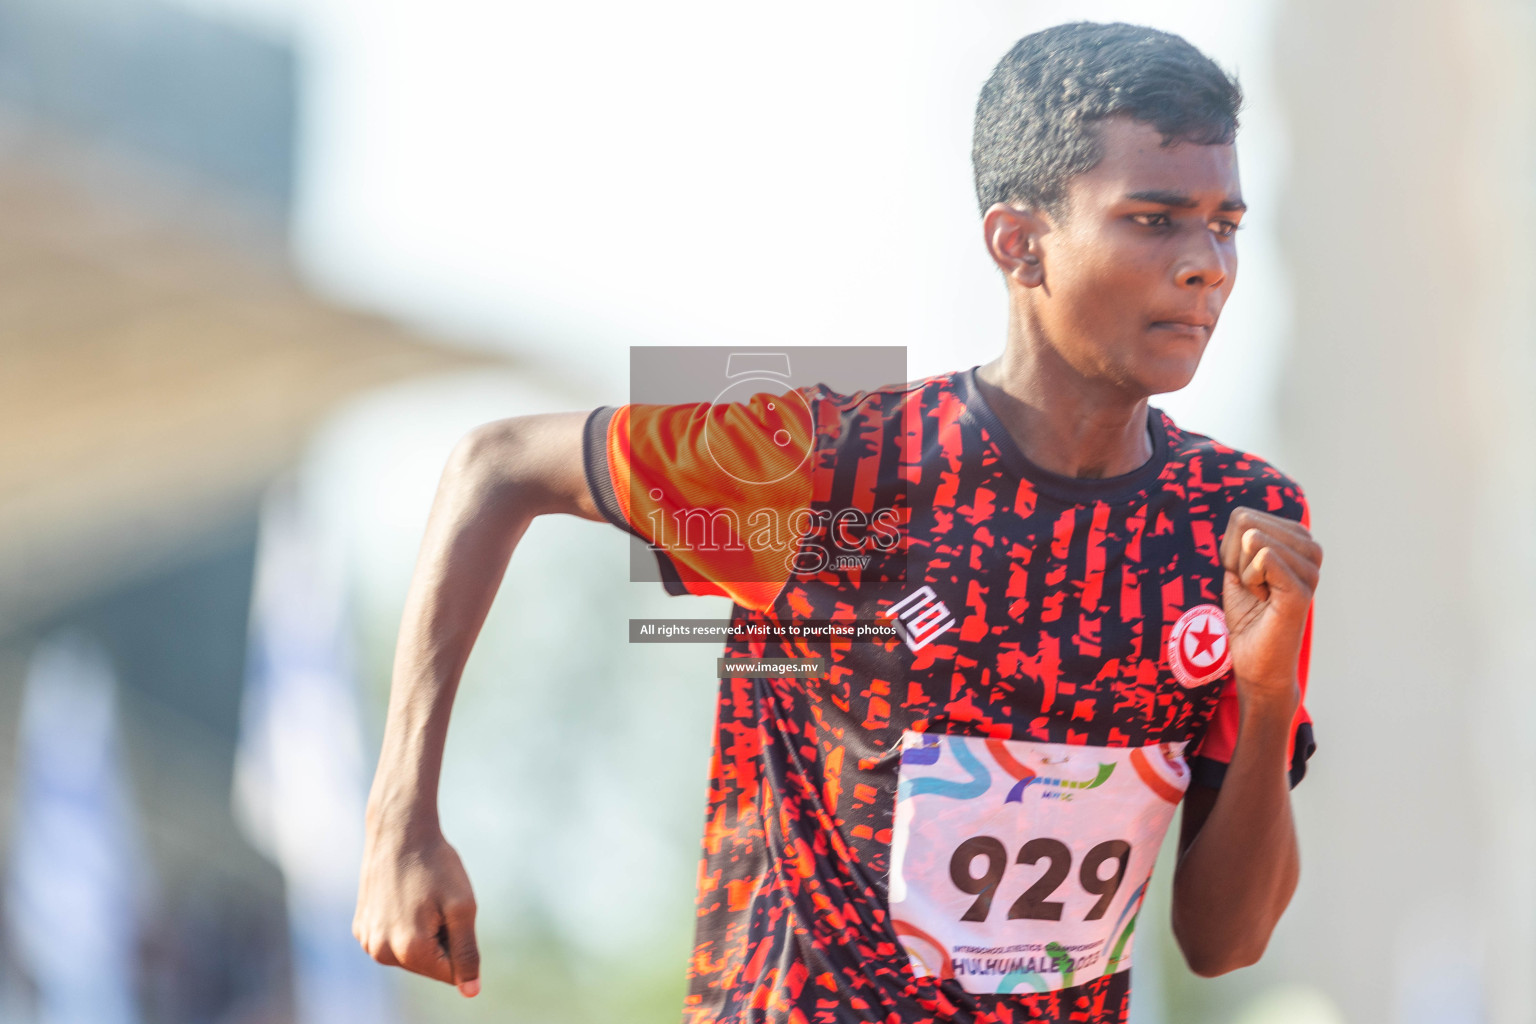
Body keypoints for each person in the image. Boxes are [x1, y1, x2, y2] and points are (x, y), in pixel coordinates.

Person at [352, 21, 1323, 1024]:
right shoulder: (834, 465)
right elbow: (494, 464)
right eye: (1156, 220)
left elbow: (1223, 943)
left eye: (1226, 224)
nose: (1207, 263)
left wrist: (1259, 696)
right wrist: (399, 822)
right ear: (1018, 241)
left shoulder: (1236, 523)